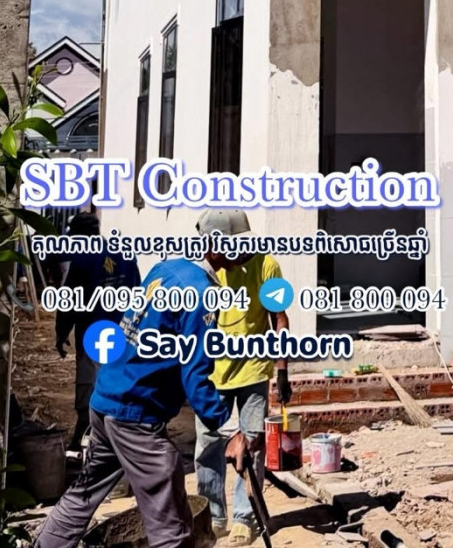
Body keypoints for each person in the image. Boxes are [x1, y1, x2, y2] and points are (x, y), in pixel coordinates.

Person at [35, 237, 252, 548]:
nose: (242, 253)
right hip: (134, 412)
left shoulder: (167, 268)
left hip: (107, 397)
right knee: (170, 522)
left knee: (83, 495)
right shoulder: (201, 292)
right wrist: (228, 429)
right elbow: (195, 372)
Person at [193, 209, 292, 546]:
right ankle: (213, 515)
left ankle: (243, 517)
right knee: (208, 445)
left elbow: (279, 319)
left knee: (251, 445)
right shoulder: (208, 268)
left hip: (253, 369)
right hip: (213, 372)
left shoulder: (267, 266)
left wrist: (282, 370)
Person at [53, 210, 140, 451]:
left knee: (89, 386)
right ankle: (118, 440)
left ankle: (87, 435)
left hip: (93, 334)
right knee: (118, 385)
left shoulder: (82, 260)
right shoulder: (124, 253)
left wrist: (61, 333)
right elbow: (139, 292)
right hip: (123, 332)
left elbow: (69, 300)